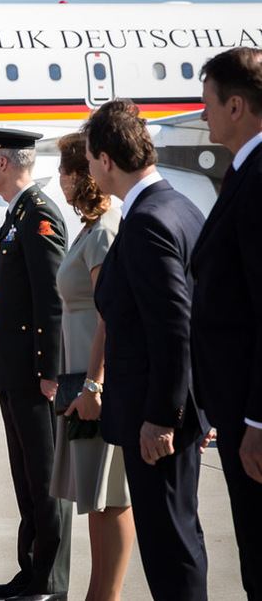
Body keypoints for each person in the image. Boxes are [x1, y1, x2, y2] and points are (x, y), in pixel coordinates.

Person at [86, 99, 208, 601]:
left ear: (107, 160)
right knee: (176, 535)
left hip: (155, 422)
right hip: (171, 410)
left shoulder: (149, 221)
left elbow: (173, 327)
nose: (89, 168)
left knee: (169, 547)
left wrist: (163, 416)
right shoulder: (178, 204)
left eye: (90, 159)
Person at [0, 126, 71, 601]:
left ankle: (50, 580)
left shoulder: (38, 216)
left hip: (36, 374)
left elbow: (52, 300)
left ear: (4, 162)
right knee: (26, 476)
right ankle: (31, 570)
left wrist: (50, 370)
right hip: (16, 369)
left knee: (46, 476)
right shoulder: (16, 216)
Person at [49, 133, 135, 601]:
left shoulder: (102, 231)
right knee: (96, 498)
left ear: (76, 176)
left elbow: (110, 313)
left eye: (64, 169)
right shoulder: (88, 227)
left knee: (113, 495)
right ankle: (98, 591)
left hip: (95, 383)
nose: (59, 179)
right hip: (81, 380)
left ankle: (106, 594)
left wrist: (94, 385)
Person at [192, 47, 262, 601]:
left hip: (252, 415)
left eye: (208, 103)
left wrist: (259, 421)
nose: (202, 115)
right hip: (237, 409)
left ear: (236, 106)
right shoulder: (244, 171)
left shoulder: (259, 178)